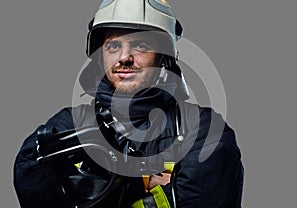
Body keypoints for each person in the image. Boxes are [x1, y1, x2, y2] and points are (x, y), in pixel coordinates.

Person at [13, 0, 244, 207]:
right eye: (113, 46)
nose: (124, 57)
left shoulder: (203, 132)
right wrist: (143, 183)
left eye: (140, 45)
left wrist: (97, 189)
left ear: (163, 56)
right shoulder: (70, 123)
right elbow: (31, 176)